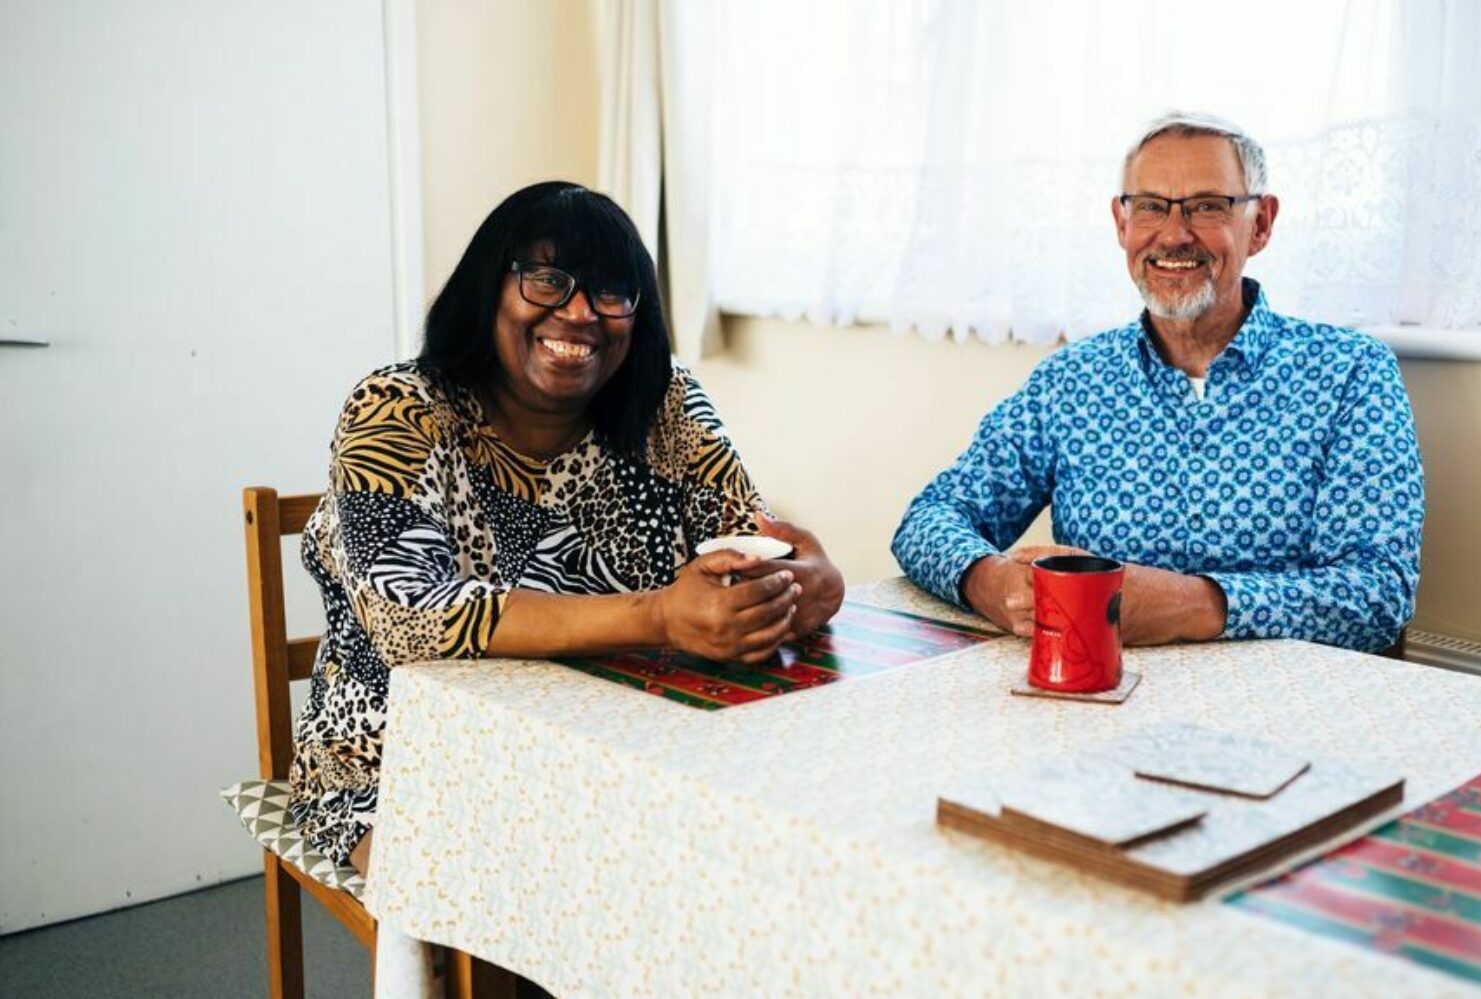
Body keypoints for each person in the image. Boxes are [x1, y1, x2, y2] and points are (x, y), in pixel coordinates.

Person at [289, 182, 845, 878]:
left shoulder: (664, 405)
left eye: (611, 291)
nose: (579, 312)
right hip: (399, 769)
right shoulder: (398, 408)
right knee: (556, 882)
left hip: (621, 751)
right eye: (548, 279)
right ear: (490, 288)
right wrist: (663, 615)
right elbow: (408, 618)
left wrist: (806, 583)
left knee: (757, 847)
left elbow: (747, 544)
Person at [892, 111, 1423, 654]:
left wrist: (1189, 605)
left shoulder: (1350, 373)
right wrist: (997, 584)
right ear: (1122, 224)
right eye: (1149, 207)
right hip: (1096, 697)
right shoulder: (1071, 382)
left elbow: (1379, 594)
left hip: (1286, 710)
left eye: (1207, 207)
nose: (1174, 234)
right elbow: (930, 519)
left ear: (1260, 224)